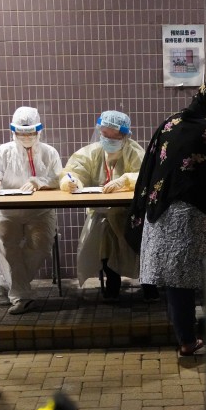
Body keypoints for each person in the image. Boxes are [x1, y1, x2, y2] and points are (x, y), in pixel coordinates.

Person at [135, 81, 206, 356]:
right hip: (201, 213)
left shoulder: (169, 124)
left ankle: (186, 340)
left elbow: (150, 167)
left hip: (162, 213)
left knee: (177, 280)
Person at [0, 106, 62, 315]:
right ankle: (23, 297)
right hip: (8, 212)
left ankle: (0, 281)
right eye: (21, 132)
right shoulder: (3, 152)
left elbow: (61, 179)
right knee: (8, 245)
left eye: (30, 132)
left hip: (40, 212)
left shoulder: (49, 153)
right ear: (13, 131)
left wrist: (40, 182)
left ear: (39, 130)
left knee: (41, 244)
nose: (26, 136)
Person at [62, 111, 153, 301]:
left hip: (130, 213)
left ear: (125, 135)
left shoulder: (134, 152)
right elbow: (73, 171)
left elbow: (145, 176)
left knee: (141, 244)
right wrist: (72, 182)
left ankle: (149, 284)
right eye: (105, 134)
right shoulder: (91, 153)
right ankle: (113, 283)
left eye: (115, 136)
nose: (109, 140)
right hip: (102, 213)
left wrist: (125, 180)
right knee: (104, 241)